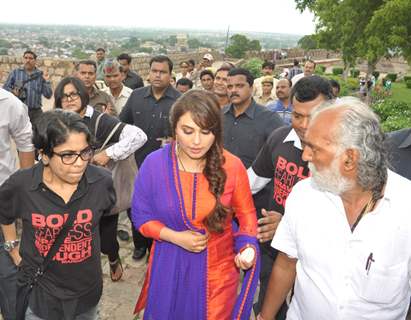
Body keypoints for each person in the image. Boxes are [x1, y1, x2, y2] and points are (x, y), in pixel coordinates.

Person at [260, 97, 411, 320]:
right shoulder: (304, 196)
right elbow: (286, 264)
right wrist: (265, 317)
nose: (305, 156)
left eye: (314, 148)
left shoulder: (405, 206)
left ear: (350, 159)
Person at [132, 90, 260, 319]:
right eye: (187, 131)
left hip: (217, 275)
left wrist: (248, 247)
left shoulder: (232, 166)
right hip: (168, 268)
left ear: (217, 132)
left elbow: (247, 215)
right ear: (174, 129)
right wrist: (175, 236)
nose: (197, 141)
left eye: (206, 131)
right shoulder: (154, 164)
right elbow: (141, 216)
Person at [0, 109, 116, 319]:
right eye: (68, 155)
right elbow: (4, 213)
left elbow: (106, 219)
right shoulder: (22, 185)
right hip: (41, 291)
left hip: (87, 293)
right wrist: (13, 249)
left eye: (85, 152)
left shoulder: (102, 182)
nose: (80, 162)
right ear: (44, 155)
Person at [249, 76, 333, 318]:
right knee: (268, 304)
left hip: (315, 266)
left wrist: (287, 228)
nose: (304, 125)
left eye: (313, 116)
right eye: (297, 116)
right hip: (272, 252)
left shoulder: (342, 161)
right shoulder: (278, 139)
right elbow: (250, 183)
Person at [54, 77, 147, 281]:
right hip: (69, 190)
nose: (69, 100)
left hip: (99, 191)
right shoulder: (57, 121)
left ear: (83, 95)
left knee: (106, 240)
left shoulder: (98, 120)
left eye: (73, 94)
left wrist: (108, 154)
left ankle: (113, 258)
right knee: (76, 236)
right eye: (64, 96)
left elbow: (138, 135)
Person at [120, 55, 180, 260]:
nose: (157, 75)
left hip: (166, 165)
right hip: (135, 162)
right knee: (135, 205)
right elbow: (123, 124)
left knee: (161, 207)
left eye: (162, 72)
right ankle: (139, 244)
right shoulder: (137, 96)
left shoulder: (179, 100)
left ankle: (156, 245)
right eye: (154, 71)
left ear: (170, 75)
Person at [0, 88, 35, 320]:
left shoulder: (8, 102)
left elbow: (26, 145)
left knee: (8, 269)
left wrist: (26, 192)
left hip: (3, 196)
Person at [3, 50, 52, 126]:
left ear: (35, 61)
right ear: (23, 59)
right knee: (19, 136)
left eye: (30, 58)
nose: (28, 60)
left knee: (38, 135)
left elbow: (48, 95)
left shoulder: (40, 75)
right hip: (19, 111)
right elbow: (5, 88)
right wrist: (13, 91)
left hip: (36, 113)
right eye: (26, 58)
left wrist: (47, 81)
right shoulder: (15, 73)